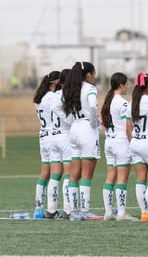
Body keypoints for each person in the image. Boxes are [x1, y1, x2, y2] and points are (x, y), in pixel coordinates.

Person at [62, 61, 101, 220]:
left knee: (74, 174)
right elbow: (92, 106)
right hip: (86, 129)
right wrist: (93, 122)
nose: (95, 76)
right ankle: (85, 211)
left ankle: (73, 211)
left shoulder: (70, 89)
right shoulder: (90, 88)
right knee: (87, 174)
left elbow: (63, 109)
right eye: (94, 73)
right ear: (88, 74)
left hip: (74, 129)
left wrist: (74, 121)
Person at [101, 72, 137, 221]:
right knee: (122, 179)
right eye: (127, 84)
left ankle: (108, 212)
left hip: (109, 142)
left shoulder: (107, 101)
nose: (128, 86)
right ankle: (121, 212)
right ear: (121, 85)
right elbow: (127, 126)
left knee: (110, 177)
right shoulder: (122, 103)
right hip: (121, 142)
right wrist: (132, 143)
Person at [127, 72, 148, 222]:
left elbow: (128, 128)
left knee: (140, 179)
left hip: (135, 143)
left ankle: (144, 213)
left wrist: (132, 142)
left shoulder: (132, 102)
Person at [33, 71, 61, 219]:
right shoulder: (53, 97)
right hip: (52, 136)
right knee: (56, 174)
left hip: (42, 137)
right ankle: (52, 209)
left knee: (44, 174)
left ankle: (38, 208)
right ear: (56, 83)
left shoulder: (38, 98)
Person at [48, 69, 72, 219]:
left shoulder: (51, 96)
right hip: (65, 136)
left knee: (55, 176)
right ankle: (68, 210)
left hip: (53, 137)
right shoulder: (65, 96)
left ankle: (51, 210)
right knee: (69, 175)